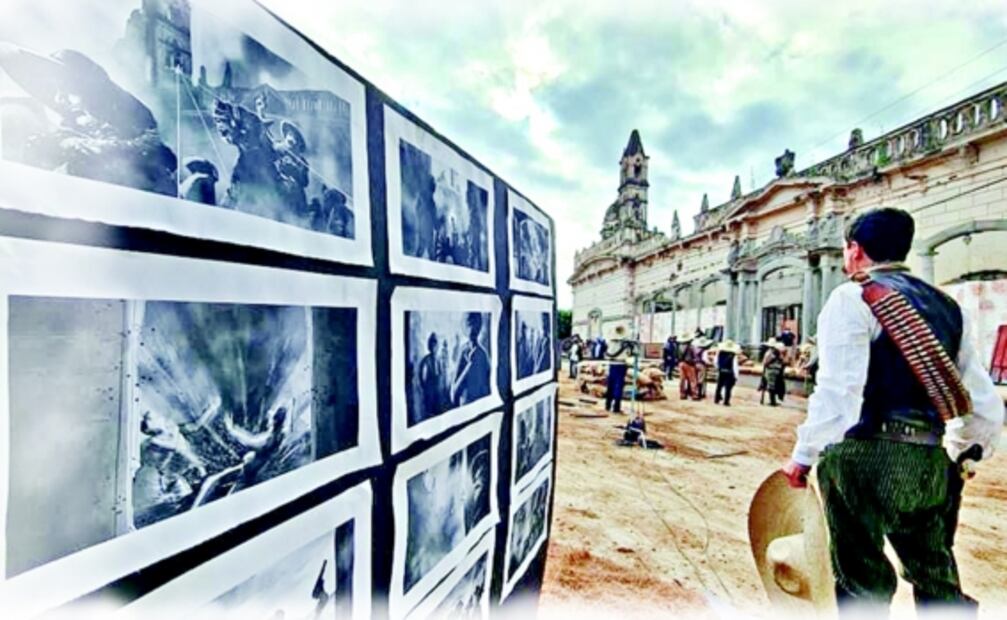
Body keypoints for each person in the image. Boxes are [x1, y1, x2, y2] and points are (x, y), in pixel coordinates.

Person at [780, 208, 1003, 616]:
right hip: (930, 458)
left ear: (854, 250)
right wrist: (963, 454)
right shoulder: (948, 307)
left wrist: (802, 456)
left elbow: (839, 394)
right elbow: (981, 399)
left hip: (865, 456)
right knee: (936, 577)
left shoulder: (852, 297)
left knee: (862, 581)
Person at [452, 313, 491, 406]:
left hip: (481, 407)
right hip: (465, 407)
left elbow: (488, 389)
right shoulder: (463, 351)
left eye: (475, 323)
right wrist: (469, 366)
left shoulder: (482, 354)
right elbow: (454, 393)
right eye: (469, 323)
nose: (472, 328)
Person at [714, 340, 741, 406]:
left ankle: (716, 399)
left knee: (719, 386)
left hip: (721, 371)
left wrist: (718, 368)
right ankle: (726, 401)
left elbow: (715, 362)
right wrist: (736, 375)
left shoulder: (720, 353)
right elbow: (735, 366)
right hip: (729, 372)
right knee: (728, 388)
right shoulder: (733, 355)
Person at [760, 339, 785, 406]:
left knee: (771, 386)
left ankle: (772, 402)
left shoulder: (769, 353)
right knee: (773, 385)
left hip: (771, 370)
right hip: (777, 370)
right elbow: (782, 361)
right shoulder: (778, 352)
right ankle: (773, 401)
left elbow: (765, 362)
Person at [677, 333, 697, 400]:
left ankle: (682, 394)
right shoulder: (691, 347)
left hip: (681, 363)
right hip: (689, 364)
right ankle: (694, 394)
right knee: (692, 380)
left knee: (682, 380)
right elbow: (694, 356)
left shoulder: (679, 346)